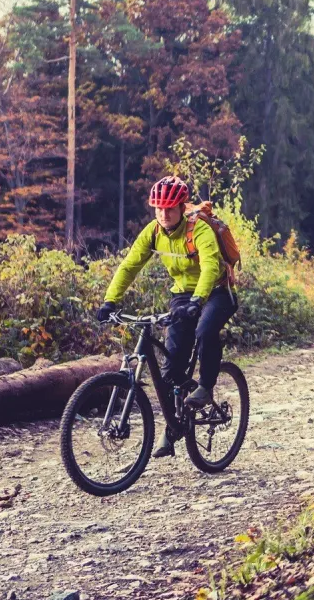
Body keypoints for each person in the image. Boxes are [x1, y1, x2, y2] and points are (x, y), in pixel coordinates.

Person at [95, 176, 237, 458]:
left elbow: (210, 267)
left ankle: (206, 387)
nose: (163, 214)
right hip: (183, 294)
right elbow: (129, 266)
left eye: (169, 208)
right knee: (171, 370)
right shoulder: (153, 232)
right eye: (158, 208)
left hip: (218, 291)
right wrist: (110, 300)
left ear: (182, 207)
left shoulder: (199, 231)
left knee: (204, 332)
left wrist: (198, 300)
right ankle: (174, 426)